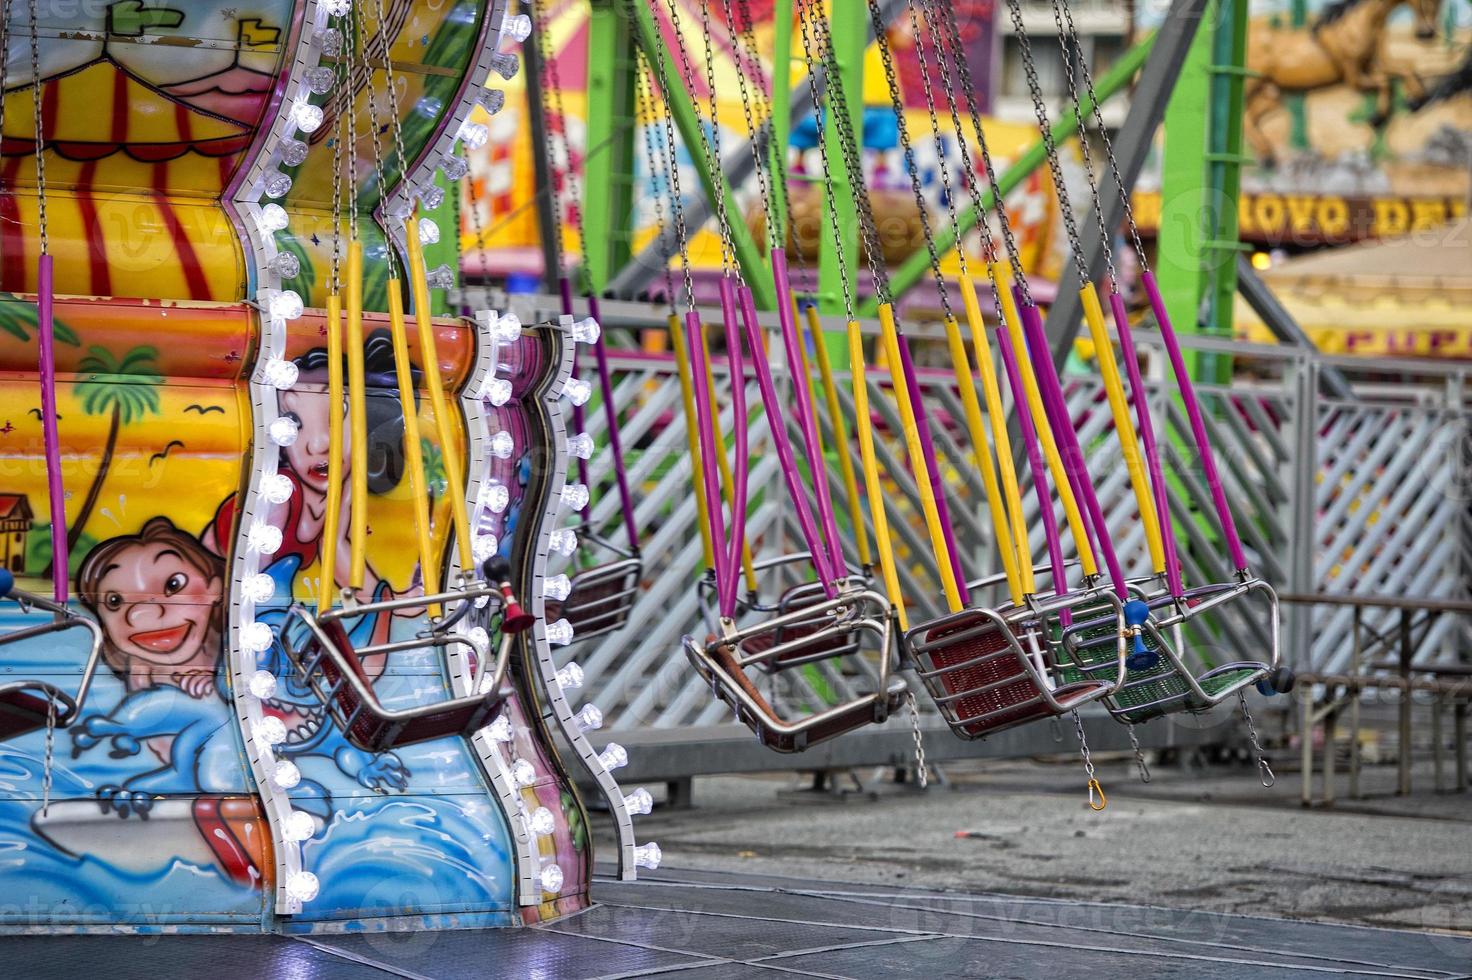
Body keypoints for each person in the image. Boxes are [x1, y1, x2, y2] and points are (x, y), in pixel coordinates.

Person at [203, 328, 422, 605]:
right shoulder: (279, 501)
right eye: (294, 420)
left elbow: (346, 567)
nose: (318, 444)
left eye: (336, 414)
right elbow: (252, 600)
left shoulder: (342, 495)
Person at [77, 516, 225, 701]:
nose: (145, 613)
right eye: (114, 601)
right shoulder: (139, 668)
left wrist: (211, 687)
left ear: (215, 588)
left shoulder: (224, 656)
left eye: (173, 585)